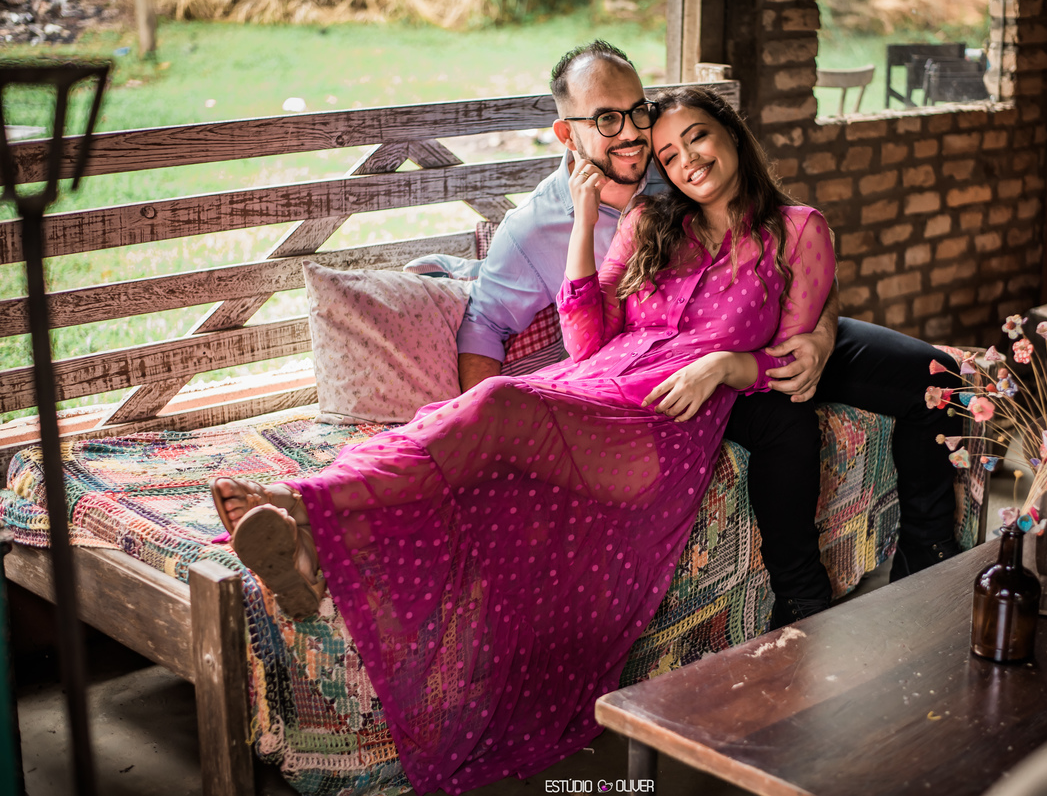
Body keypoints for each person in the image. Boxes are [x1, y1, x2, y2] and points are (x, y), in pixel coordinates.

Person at [212, 85, 834, 795]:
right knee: (470, 466)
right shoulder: (651, 222)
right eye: (667, 153)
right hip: (589, 389)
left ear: (729, 130)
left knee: (495, 402)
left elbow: (795, 364)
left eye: (696, 136)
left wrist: (725, 365)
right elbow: (588, 339)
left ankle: (305, 500)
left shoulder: (798, 231)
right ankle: (310, 551)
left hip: (655, 431)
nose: (686, 159)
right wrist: (584, 220)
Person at [448, 41, 964, 629]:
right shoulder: (538, 229)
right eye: (607, 119)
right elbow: (490, 325)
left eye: (638, 111)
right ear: (569, 134)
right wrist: (485, 435)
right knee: (783, 420)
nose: (634, 134)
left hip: (759, 322)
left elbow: (799, 253)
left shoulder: (668, 167)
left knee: (935, 376)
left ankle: (930, 559)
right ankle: (803, 602)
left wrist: (820, 334)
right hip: (672, 357)